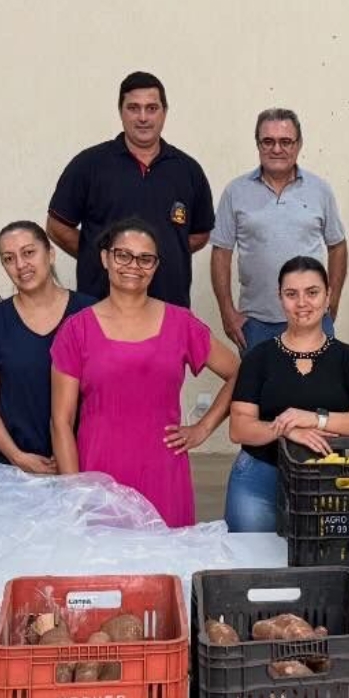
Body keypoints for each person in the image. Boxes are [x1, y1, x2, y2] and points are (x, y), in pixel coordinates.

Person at [51, 219, 238, 526]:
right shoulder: (77, 329)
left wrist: (203, 428)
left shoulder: (181, 324)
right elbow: (60, 421)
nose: (133, 266)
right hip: (99, 478)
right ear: (105, 258)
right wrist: (77, 493)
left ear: (155, 266)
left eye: (145, 258)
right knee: (104, 570)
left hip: (163, 474)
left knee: (165, 567)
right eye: (122, 254)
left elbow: (238, 373)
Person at [225, 256, 349, 532]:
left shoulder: (348, 359)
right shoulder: (259, 357)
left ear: (328, 296)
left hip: (326, 480)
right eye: (291, 294)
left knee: (318, 565)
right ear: (280, 299)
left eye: (312, 292)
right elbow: (239, 427)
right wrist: (285, 430)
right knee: (253, 564)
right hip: (260, 477)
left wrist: (315, 419)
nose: (302, 303)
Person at [47, 71, 214, 307]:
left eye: (152, 108)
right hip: (101, 306)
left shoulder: (188, 170)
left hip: (169, 308)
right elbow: (57, 227)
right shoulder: (89, 165)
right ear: (121, 112)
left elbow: (199, 233)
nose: (143, 117)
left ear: (164, 112)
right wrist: (97, 254)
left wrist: (164, 250)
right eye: (134, 108)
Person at [211, 109, 348, 350]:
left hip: (312, 319)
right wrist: (227, 312)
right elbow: (221, 253)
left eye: (285, 141)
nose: (276, 149)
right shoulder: (236, 192)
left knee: (318, 388)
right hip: (257, 323)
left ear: (299, 144)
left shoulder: (320, 191)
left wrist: (332, 299)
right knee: (261, 388)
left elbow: (337, 246)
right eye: (268, 141)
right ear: (258, 144)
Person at [0, 222, 95, 474]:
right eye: (9, 258)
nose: (20, 264)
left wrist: (71, 457)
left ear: (50, 253)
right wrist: (18, 457)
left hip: (85, 465)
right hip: (15, 471)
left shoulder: (91, 313)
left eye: (29, 252)